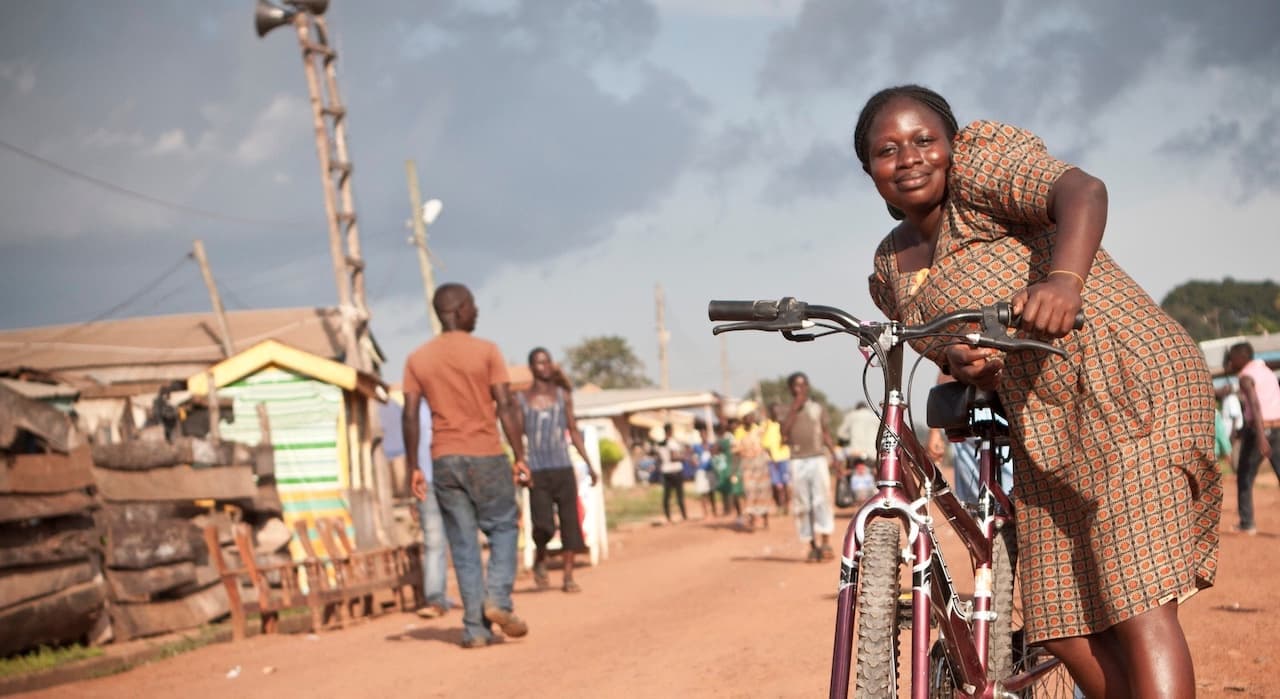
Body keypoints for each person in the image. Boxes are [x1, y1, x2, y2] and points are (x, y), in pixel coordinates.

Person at [857, 84, 1220, 695]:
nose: (910, 157)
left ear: (951, 144)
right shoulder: (891, 267)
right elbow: (937, 342)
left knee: (1138, 602)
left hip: (1124, 377)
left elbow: (1084, 190)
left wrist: (1064, 281)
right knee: (1059, 617)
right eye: (887, 150)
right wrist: (960, 358)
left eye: (925, 140)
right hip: (1044, 421)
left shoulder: (981, 171)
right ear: (869, 169)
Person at [403, 283, 531, 649]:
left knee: (462, 544)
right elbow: (505, 405)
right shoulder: (487, 351)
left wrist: (414, 466)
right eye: (473, 306)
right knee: (504, 528)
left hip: (444, 460)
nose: (477, 312)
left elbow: (410, 415)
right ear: (458, 309)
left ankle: (475, 629)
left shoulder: (418, 358)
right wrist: (520, 456)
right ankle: (499, 601)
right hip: (486, 454)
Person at [517, 347, 598, 593]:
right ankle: (540, 557)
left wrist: (589, 464)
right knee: (544, 525)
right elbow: (517, 435)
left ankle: (568, 576)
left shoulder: (563, 396)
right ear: (531, 367)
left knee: (570, 522)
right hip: (538, 470)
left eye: (547, 362)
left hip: (563, 466)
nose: (544, 367)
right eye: (538, 363)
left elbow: (572, 430)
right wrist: (520, 463)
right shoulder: (521, 399)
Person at [780, 372, 839, 562]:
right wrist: (794, 409)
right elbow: (783, 433)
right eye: (796, 386)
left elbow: (825, 433)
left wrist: (835, 456)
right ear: (790, 389)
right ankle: (812, 545)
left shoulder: (817, 408)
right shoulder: (785, 410)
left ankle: (826, 541)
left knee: (821, 500)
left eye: (803, 385)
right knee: (803, 504)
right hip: (798, 460)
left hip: (817, 458)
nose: (801, 390)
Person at [1223, 342, 1280, 535]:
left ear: (1241, 358)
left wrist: (1261, 437)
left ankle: (1247, 523)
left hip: (1259, 430)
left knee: (1245, 476)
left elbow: (1255, 405)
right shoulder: (1264, 369)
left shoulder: (1246, 377)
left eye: (1232, 358)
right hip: (1278, 425)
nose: (1230, 362)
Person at [408, 395, 457, 619]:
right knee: (434, 541)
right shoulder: (413, 409)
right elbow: (411, 449)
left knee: (464, 538)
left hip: (455, 480)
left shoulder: (452, 401)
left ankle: (476, 595)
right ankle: (436, 599)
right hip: (426, 482)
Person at [733, 406, 771, 530]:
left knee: (763, 491)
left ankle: (765, 519)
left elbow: (767, 427)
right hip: (747, 464)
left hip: (760, 463)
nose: (750, 419)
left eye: (752, 416)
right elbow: (736, 450)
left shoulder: (759, 430)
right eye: (748, 417)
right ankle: (753, 518)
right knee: (749, 491)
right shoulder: (739, 432)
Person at [761, 404, 792, 515]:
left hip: (784, 458)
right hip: (772, 460)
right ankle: (779, 506)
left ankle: (787, 506)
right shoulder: (767, 426)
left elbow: (788, 440)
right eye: (775, 411)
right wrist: (772, 457)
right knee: (777, 485)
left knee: (786, 484)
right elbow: (765, 444)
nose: (777, 413)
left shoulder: (784, 425)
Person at [655, 423, 687, 523]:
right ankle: (684, 516)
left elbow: (658, 459)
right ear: (670, 431)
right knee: (679, 495)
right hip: (675, 470)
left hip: (666, 471)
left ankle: (668, 517)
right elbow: (673, 457)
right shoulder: (672, 443)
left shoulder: (660, 444)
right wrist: (684, 458)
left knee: (667, 496)